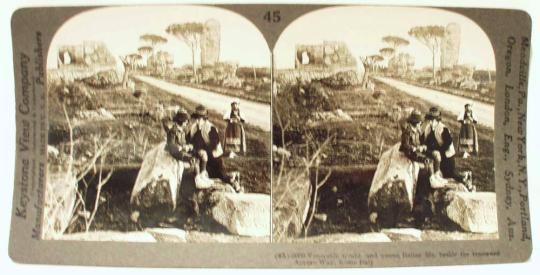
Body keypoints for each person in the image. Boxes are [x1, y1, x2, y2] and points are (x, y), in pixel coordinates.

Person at [188, 105, 241, 192]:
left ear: (205, 119)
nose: (198, 121)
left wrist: (201, 149)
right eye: (197, 118)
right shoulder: (193, 128)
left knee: (220, 175)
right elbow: (190, 140)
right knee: (204, 175)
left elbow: (214, 145)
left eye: (200, 118)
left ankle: (234, 180)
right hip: (203, 156)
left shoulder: (210, 128)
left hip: (214, 156)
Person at [423, 107, 461, 186]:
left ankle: (463, 178)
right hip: (439, 154)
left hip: (447, 154)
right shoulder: (428, 128)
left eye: (433, 119)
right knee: (439, 174)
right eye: (430, 119)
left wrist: (439, 151)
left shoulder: (443, 129)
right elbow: (426, 140)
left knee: (449, 174)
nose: (431, 121)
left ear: (437, 120)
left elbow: (448, 143)